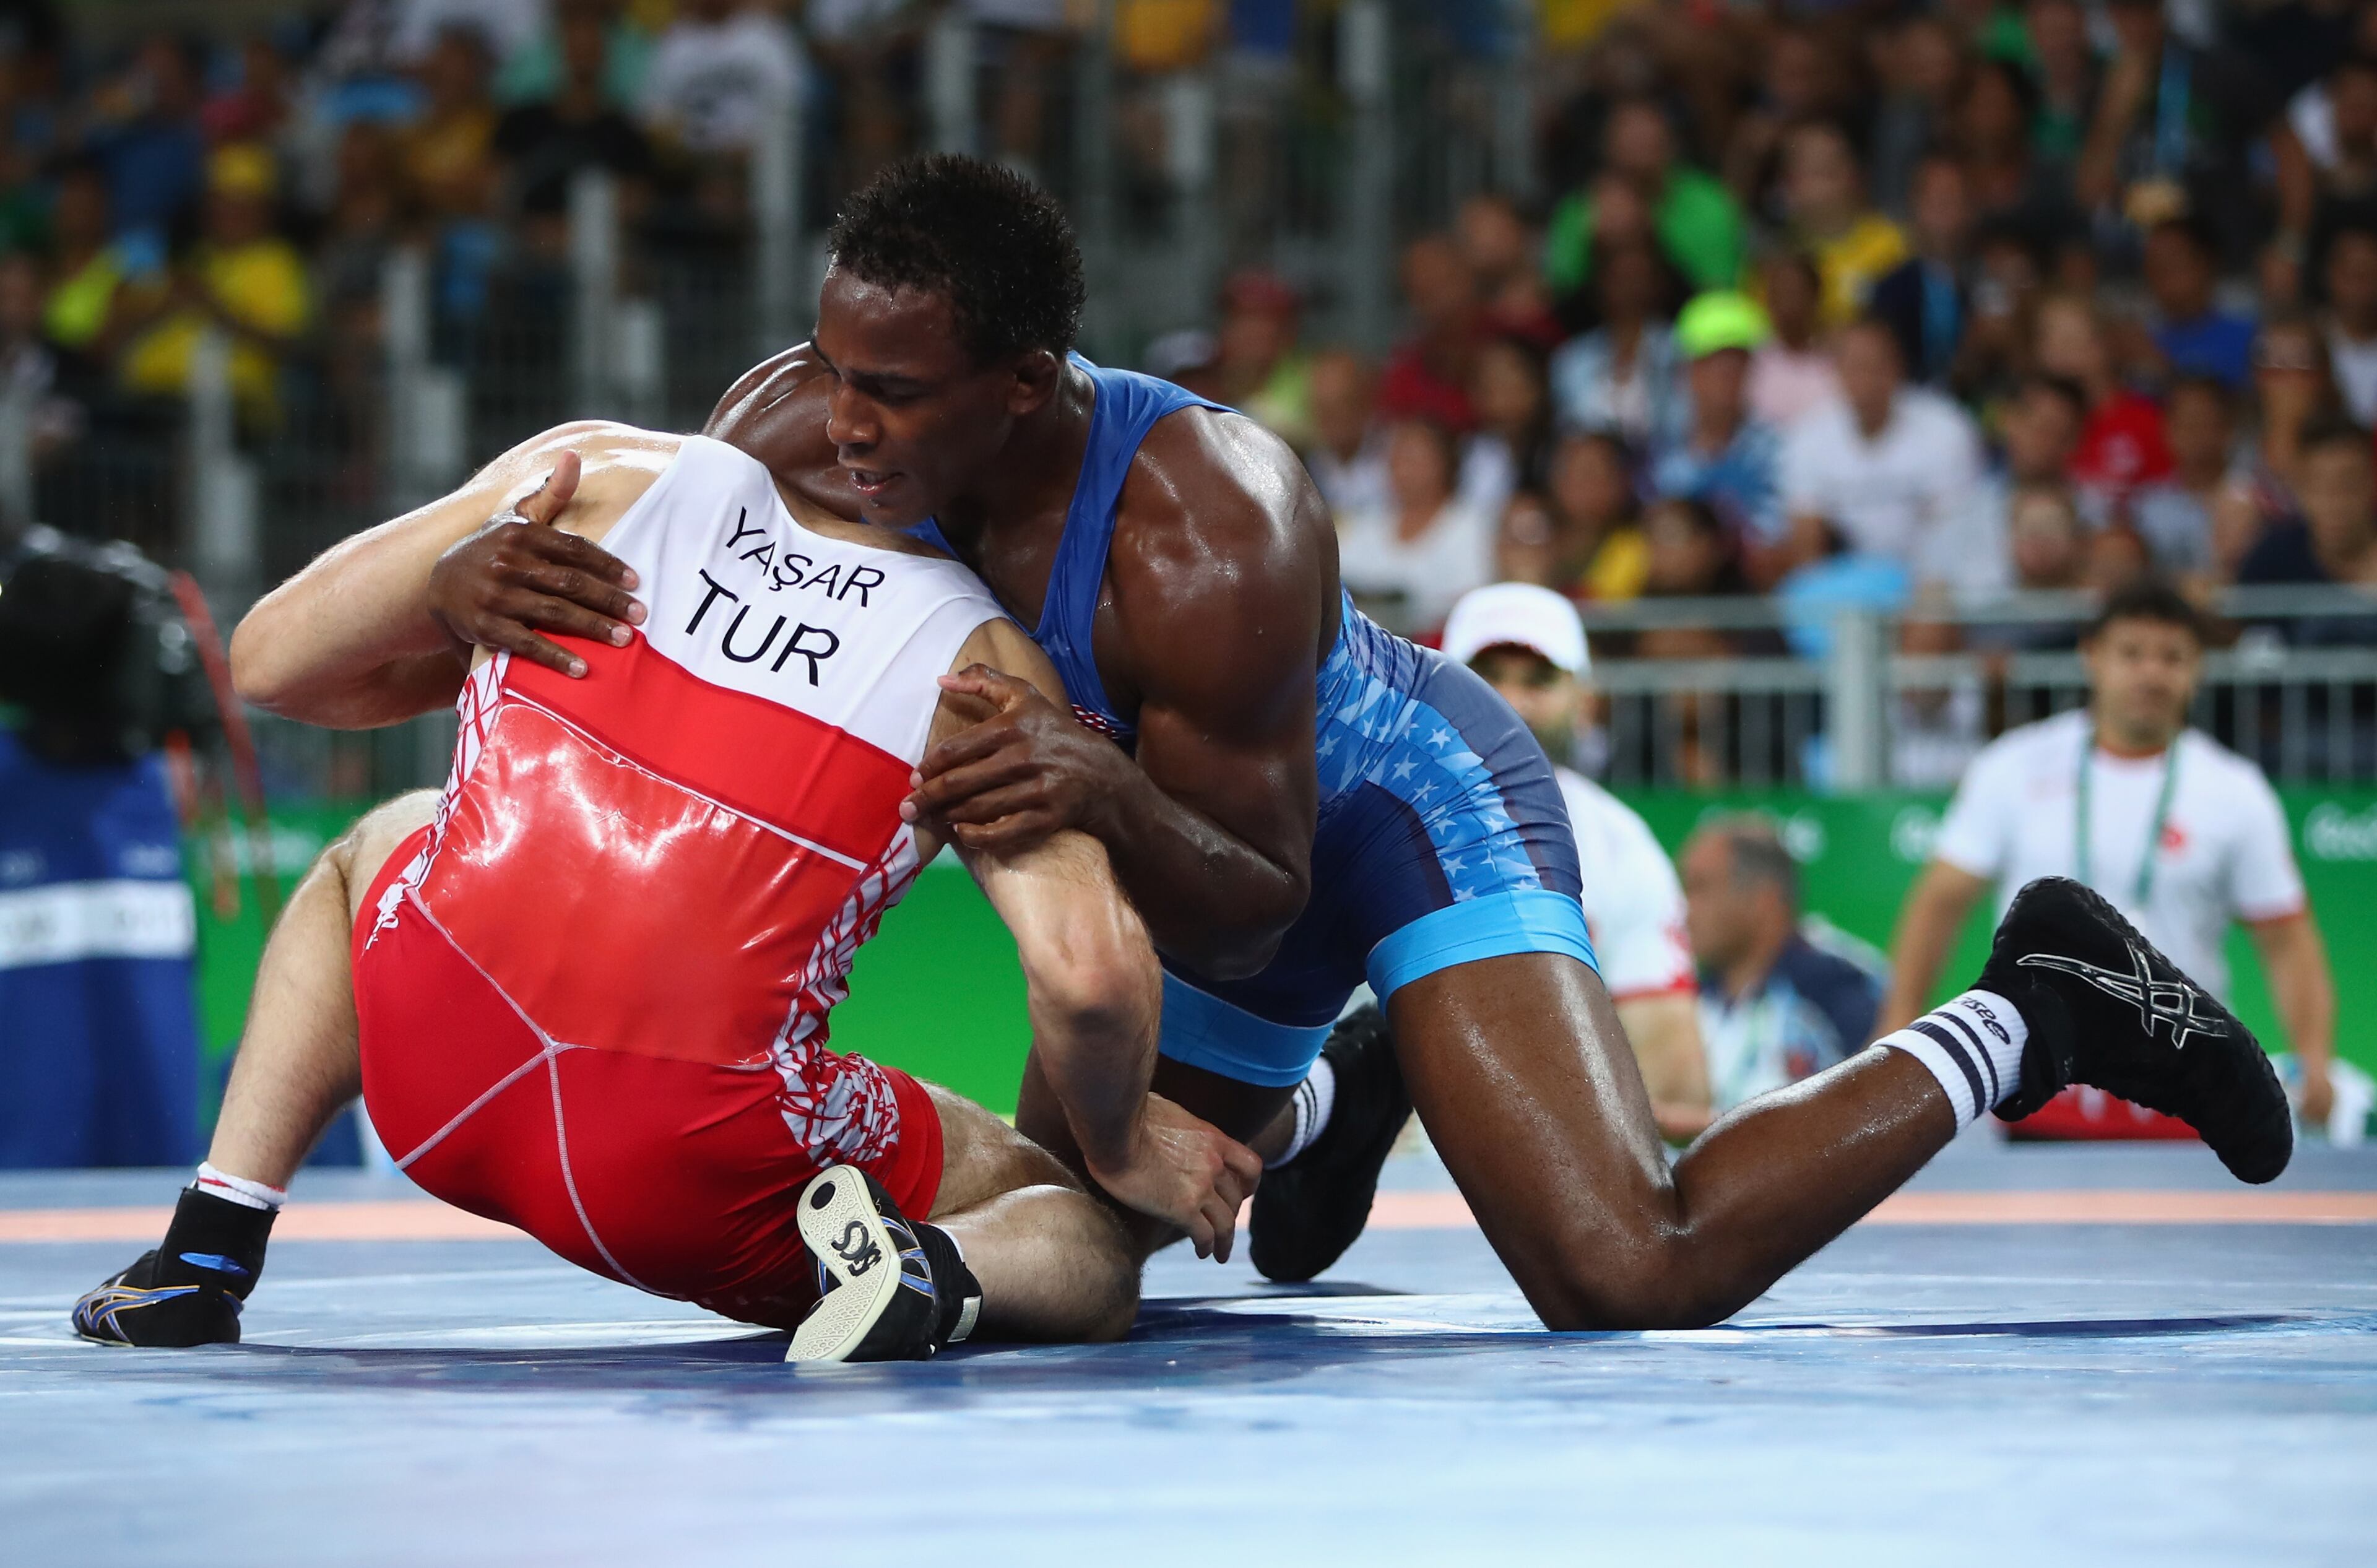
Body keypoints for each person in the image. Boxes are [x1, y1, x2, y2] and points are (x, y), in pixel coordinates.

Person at [414, 156, 2295, 1332]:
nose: (835, 432)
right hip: (1180, 830)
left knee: (1619, 1270)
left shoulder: (1207, 524)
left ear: (1023, 385)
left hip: (1385, 812)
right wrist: (501, 578)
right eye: (825, 372)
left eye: (888, 394)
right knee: (1082, 1243)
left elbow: (1255, 902)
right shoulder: (801, 431)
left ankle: (2034, 1003)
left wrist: (1089, 787)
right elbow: (686, 661)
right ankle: (1337, 1098)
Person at [72, 420, 1259, 1361]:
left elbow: (272, 662)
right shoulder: (984, 661)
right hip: (688, 1170)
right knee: (1081, 1240)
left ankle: (206, 1250)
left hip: (438, 1076)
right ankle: (929, 1274)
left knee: (375, 849)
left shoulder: (600, 473)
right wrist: (1119, 1140)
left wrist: (447, 601)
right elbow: (1092, 979)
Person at [1882, 577, 2339, 1129]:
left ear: (2197, 670)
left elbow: (2286, 938)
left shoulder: (2235, 791)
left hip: (2183, 1089)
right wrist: (1899, 1024)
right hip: (2038, 1086)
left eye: (2172, 657)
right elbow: (1939, 903)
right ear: (2091, 657)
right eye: (2132, 653)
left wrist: (2313, 1057)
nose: (2151, 672)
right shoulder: (2013, 766)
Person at [1440, 584, 1708, 1138]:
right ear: (1437, 691)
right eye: (1487, 675)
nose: (1512, 700)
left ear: (1586, 701)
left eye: (1539, 680)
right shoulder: (1358, 821)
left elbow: (1674, 1085)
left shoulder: (1621, 846)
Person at [1681, 817, 1884, 1128]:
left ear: (1764, 901)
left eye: (1700, 889)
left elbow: (1877, 1110)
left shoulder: (1838, 986)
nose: (1684, 910)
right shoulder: (1690, 996)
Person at [1777, 316, 1983, 589]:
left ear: (1899, 367)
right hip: (1843, 585)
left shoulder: (1946, 429)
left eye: (1876, 365)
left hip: (1930, 584)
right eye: (1855, 365)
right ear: (1837, 371)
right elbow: (1806, 537)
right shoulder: (1807, 436)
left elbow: (1954, 532)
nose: (1866, 377)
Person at [1336, 416, 1496, 637]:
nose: (1402, 467)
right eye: (1396, 456)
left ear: (1447, 463)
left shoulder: (1471, 525)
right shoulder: (1368, 521)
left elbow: (1470, 600)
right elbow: (1341, 583)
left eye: (1414, 458)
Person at [1652, 290, 1783, 548]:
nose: (1727, 374)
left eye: (1738, 363)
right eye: (1713, 363)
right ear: (1687, 371)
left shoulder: (1778, 450)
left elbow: (1776, 539)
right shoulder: (1661, 454)